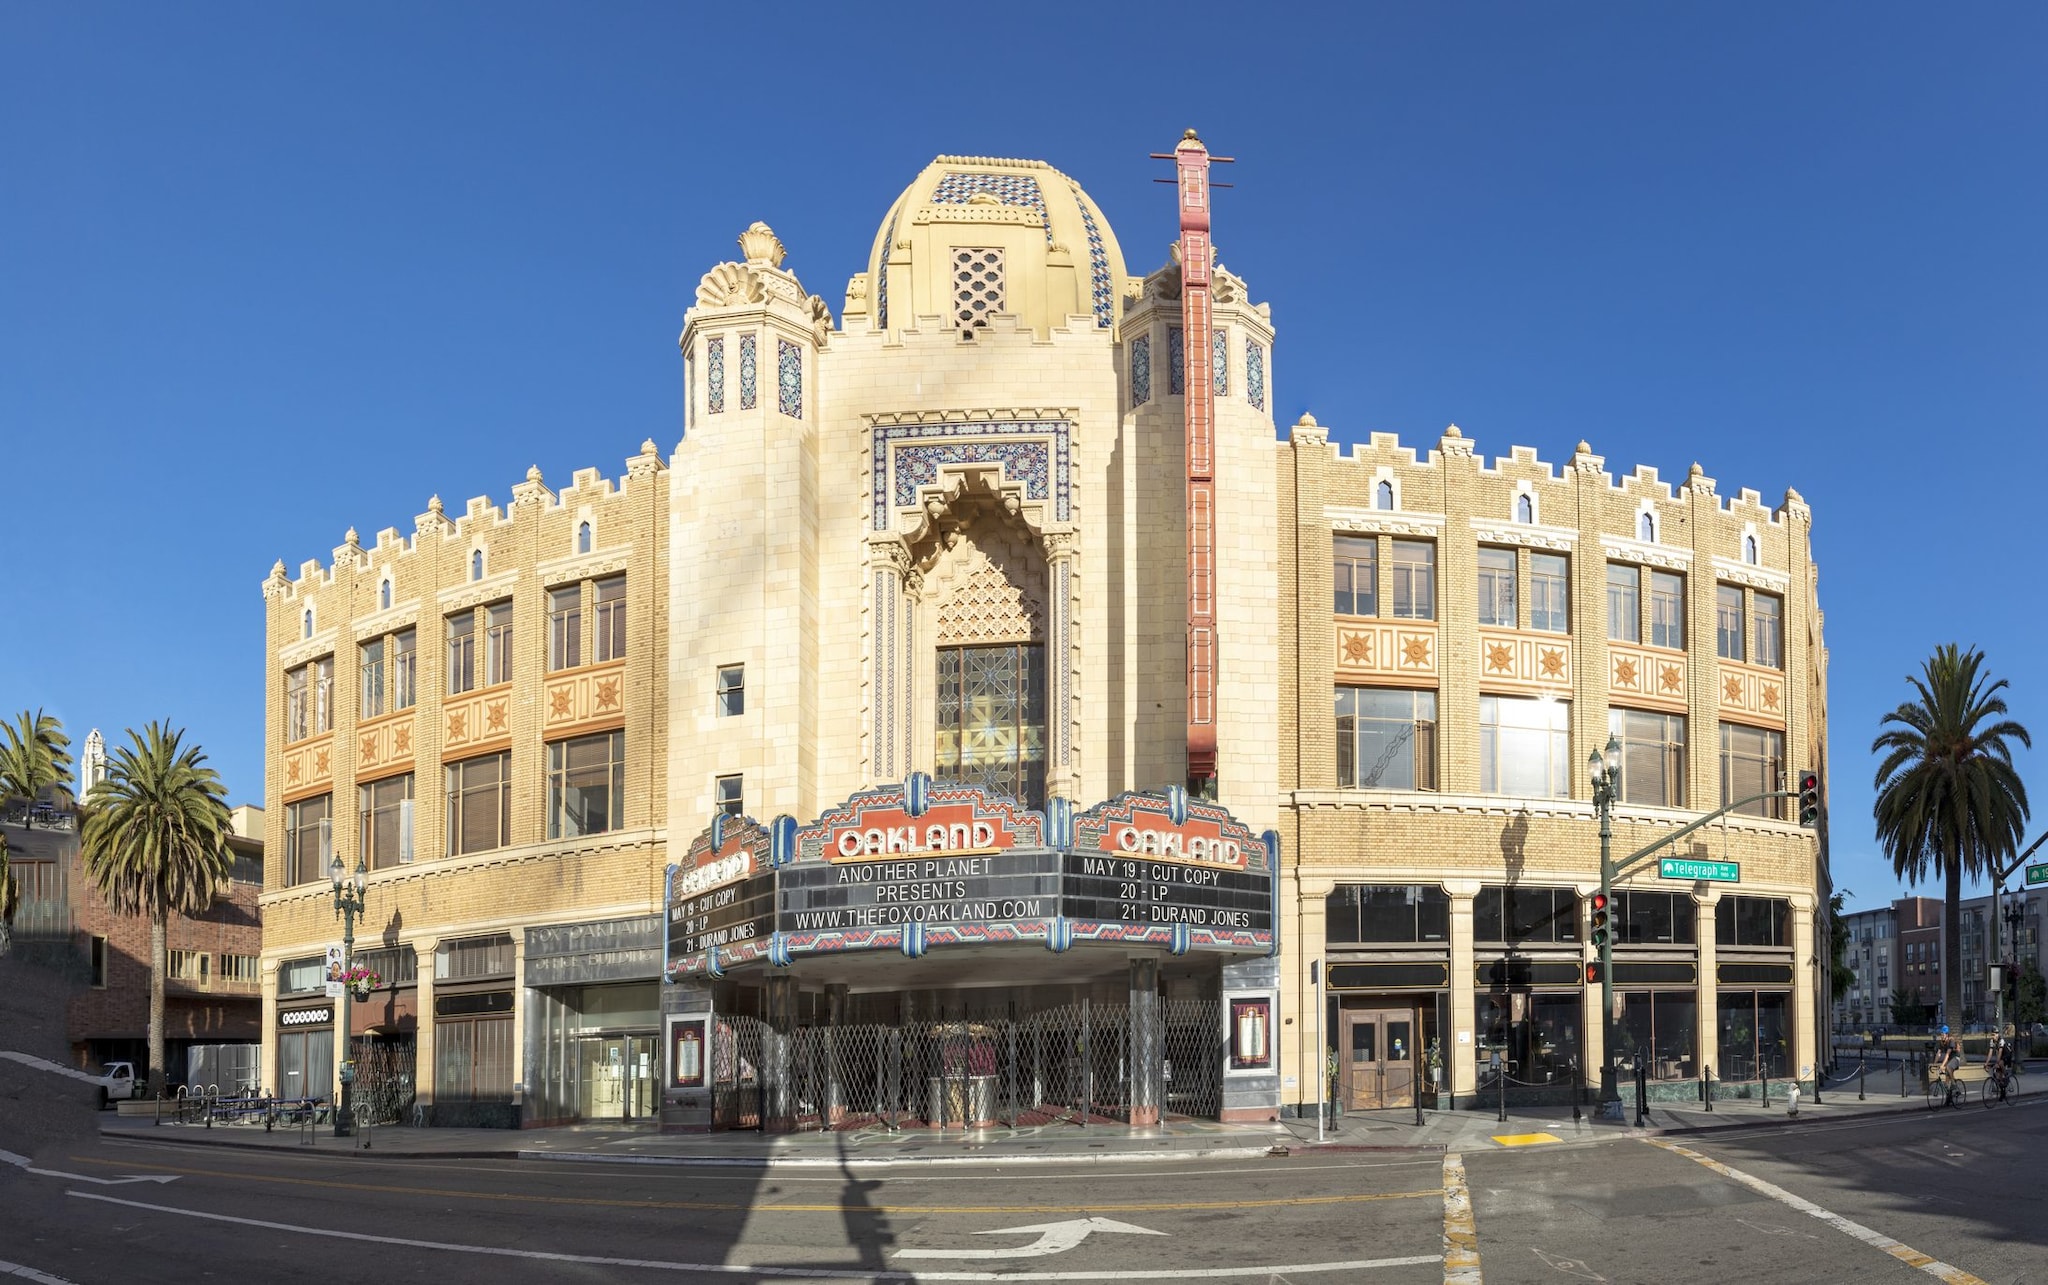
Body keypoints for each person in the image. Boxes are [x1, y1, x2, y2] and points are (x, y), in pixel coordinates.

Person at [1930, 1025, 1960, 1098]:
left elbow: (1947, 1054)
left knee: (1948, 1067)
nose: (1941, 1036)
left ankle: (1954, 1084)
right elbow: (1938, 1054)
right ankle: (1949, 1099)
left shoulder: (1951, 1041)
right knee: (1946, 1084)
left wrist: (1942, 1065)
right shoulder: (1942, 1042)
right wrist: (1934, 1064)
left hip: (1956, 1058)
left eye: (1943, 1034)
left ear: (1947, 1034)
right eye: (1941, 1034)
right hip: (1950, 1060)